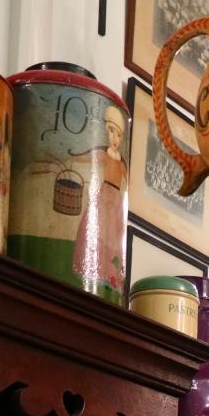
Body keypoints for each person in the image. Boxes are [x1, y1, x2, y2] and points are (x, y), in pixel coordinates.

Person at [70, 105, 128, 301]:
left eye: (119, 135)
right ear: (106, 131)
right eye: (112, 132)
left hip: (116, 200)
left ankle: (109, 277)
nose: (115, 138)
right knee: (96, 230)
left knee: (113, 237)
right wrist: (74, 156)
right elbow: (89, 157)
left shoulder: (121, 163)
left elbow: (127, 181)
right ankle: (91, 271)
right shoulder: (104, 155)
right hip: (104, 195)